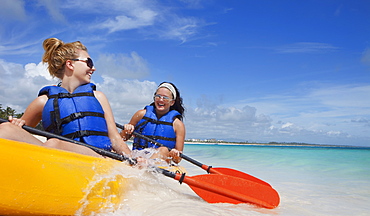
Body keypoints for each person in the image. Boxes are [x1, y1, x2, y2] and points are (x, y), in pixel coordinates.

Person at [0, 38, 131, 157]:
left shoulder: (98, 97)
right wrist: (17, 124)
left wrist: (132, 159)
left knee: (54, 145)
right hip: (59, 158)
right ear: (70, 64)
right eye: (89, 63)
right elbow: (22, 133)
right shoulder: (43, 101)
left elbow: (115, 138)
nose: (94, 68)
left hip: (97, 159)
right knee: (6, 129)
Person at [121, 82, 185, 164]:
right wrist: (126, 129)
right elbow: (122, 138)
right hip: (138, 157)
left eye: (165, 98)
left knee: (164, 149)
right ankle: (141, 163)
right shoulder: (141, 114)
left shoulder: (177, 125)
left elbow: (177, 160)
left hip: (160, 162)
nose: (161, 100)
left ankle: (146, 163)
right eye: (158, 96)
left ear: (172, 102)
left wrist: (174, 154)